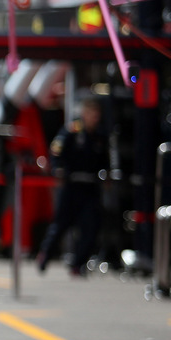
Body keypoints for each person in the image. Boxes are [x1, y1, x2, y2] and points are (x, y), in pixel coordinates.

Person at [36, 97, 109, 277]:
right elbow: (56, 152)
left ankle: (78, 264)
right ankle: (44, 256)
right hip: (71, 187)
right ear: (84, 114)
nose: (95, 118)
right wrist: (58, 169)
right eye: (92, 114)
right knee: (60, 225)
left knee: (90, 227)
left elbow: (105, 161)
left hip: (90, 187)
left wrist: (106, 175)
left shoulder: (100, 136)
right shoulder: (72, 131)